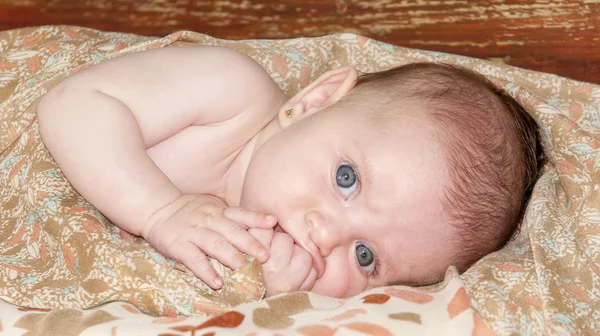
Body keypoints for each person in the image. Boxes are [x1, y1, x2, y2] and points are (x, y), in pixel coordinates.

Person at [36, 45, 544, 298]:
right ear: (312, 103)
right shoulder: (229, 95)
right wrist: (160, 211)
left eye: (365, 258)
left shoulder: (272, 268)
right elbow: (70, 105)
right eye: (347, 179)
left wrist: (273, 302)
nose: (326, 235)